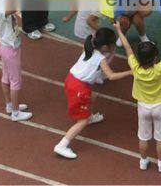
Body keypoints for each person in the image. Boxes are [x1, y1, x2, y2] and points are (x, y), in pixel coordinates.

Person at [53, 28, 132, 159]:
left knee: (93, 96)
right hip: (79, 87)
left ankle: (89, 116)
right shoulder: (100, 58)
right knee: (81, 122)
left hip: (72, 80)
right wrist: (130, 72)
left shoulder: (88, 47)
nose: (114, 47)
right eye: (113, 45)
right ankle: (62, 145)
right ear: (106, 47)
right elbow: (111, 76)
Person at [115, 21, 161, 173]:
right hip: (159, 107)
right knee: (160, 137)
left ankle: (143, 161)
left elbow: (127, 47)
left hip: (143, 107)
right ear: (155, 58)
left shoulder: (135, 68)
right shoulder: (159, 69)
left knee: (143, 137)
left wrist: (119, 30)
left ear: (138, 57)